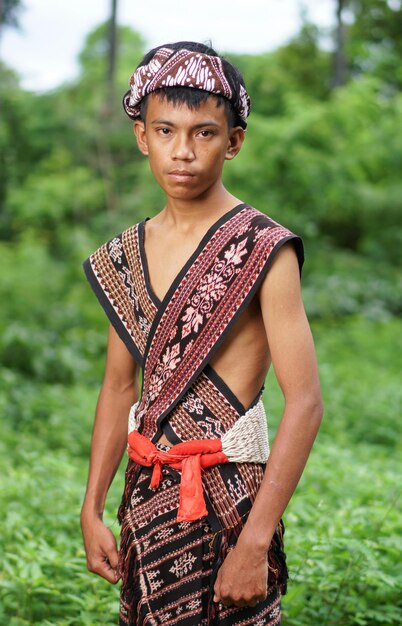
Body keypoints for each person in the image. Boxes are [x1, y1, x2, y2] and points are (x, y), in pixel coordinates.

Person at [80, 41, 323, 626]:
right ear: (142, 136)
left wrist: (256, 542)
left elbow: (306, 403)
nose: (182, 151)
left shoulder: (263, 247)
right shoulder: (125, 255)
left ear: (233, 141)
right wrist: (91, 508)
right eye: (165, 131)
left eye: (204, 133)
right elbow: (118, 390)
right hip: (147, 500)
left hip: (228, 511)